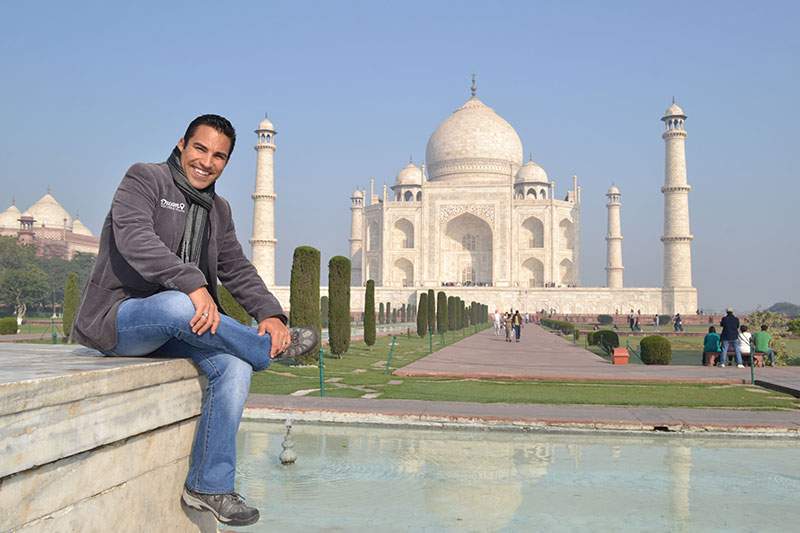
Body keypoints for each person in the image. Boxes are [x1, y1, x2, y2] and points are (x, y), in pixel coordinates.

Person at [72, 115, 318, 527]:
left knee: (234, 367)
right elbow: (135, 239)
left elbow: (236, 267)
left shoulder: (218, 209)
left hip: (178, 327)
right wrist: (191, 284)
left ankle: (209, 486)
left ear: (226, 162)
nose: (207, 162)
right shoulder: (145, 179)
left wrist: (270, 314)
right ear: (183, 144)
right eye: (200, 149)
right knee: (177, 305)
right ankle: (265, 350)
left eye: (219, 156)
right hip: (121, 319)